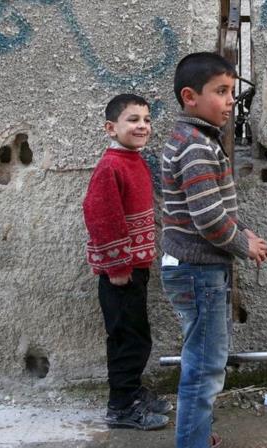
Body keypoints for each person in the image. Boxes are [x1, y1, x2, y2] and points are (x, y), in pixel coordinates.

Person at [160, 52, 267, 448]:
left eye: (231, 91)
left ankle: (193, 436)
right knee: (205, 370)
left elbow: (217, 210)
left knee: (199, 362)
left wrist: (244, 232)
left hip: (193, 268)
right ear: (190, 97)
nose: (230, 102)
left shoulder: (196, 138)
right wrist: (243, 244)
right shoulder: (195, 146)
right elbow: (209, 220)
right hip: (198, 271)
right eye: (221, 92)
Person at [83, 94, 172, 430]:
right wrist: (118, 266)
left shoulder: (135, 160)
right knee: (125, 338)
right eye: (133, 120)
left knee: (137, 335)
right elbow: (101, 217)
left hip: (135, 267)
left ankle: (132, 392)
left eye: (147, 120)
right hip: (120, 272)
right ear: (111, 128)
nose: (142, 126)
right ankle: (121, 407)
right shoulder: (111, 167)